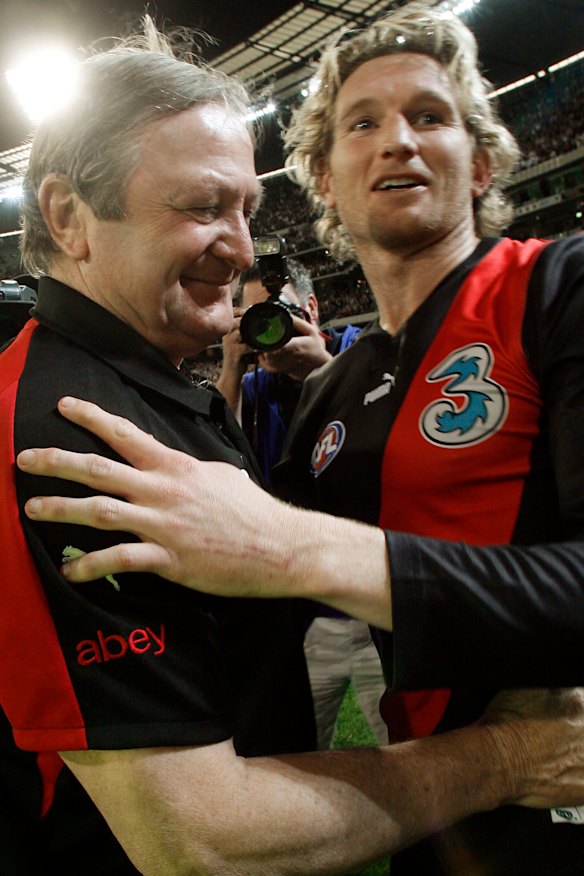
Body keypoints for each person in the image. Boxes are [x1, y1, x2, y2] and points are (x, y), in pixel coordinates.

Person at [9, 9, 584, 876]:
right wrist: (497, 761)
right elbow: (198, 834)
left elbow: (268, 558)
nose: (240, 247)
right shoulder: (79, 427)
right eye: (362, 122)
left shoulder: (560, 288)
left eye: (431, 116)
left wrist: (292, 547)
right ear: (323, 179)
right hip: (457, 818)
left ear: (487, 160)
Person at [217, 260, 386, 748]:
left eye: (279, 312)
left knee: (415, 747)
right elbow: (217, 463)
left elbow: (389, 433)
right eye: (252, 317)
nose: (267, 328)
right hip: (304, 612)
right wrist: (230, 366)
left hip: (380, 598)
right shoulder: (253, 388)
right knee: (303, 754)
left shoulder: (361, 351)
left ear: (311, 308)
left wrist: (324, 370)